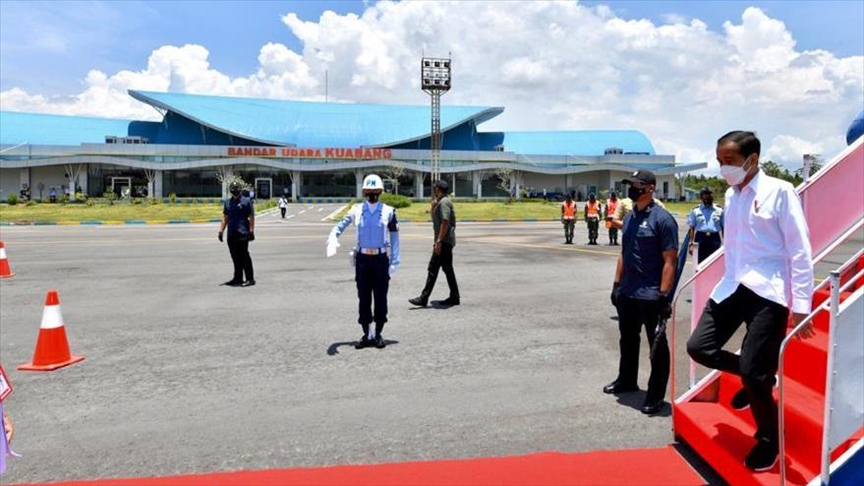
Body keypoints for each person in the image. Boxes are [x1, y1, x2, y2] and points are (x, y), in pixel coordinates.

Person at [686, 131, 814, 472]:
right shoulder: (731, 194)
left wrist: (801, 304)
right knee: (699, 348)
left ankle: (770, 439)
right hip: (733, 287)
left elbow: (799, 249)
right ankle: (753, 375)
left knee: (755, 374)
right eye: (719, 161)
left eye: (728, 161)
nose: (722, 168)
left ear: (752, 160)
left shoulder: (780, 192)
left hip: (769, 292)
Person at [606, 169, 678, 416]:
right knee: (627, 338)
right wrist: (616, 285)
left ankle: (656, 395)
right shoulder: (629, 218)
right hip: (628, 290)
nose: (631, 188)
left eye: (636, 184)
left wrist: (664, 295)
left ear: (649, 188)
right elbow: (623, 254)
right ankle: (626, 380)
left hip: (651, 293)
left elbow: (670, 261)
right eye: (630, 184)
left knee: (656, 345)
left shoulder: (663, 219)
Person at [327, 174, 401, 349]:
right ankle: (367, 333)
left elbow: (395, 237)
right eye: (369, 191)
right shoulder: (357, 210)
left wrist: (395, 261)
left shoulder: (389, 212)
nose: (372, 194)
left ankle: (378, 333)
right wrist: (332, 237)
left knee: (381, 297)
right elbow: (341, 225)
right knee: (364, 297)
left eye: (375, 191)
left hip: (380, 259)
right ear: (364, 192)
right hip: (363, 260)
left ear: (380, 192)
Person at [409, 179, 460, 308]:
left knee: (433, 268)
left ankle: (424, 298)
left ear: (438, 189)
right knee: (447, 269)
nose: (433, 189)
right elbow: (438, 220)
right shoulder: (440, 202)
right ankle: (454, 297)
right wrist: (432, 208)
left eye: (434, 187)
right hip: (444, 241)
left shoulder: (444, 202)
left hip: (444, 242)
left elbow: (445, 222)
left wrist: (438, 242)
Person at [218, 182, 255, 287]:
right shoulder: (227, 203)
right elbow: (225, 217)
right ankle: (238, 278)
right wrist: (221, 231)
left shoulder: (246, 201)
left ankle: (250, 279)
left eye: (236, 188)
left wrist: (251, 230)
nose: (234, 189)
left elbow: (251, 216)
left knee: (244, 256)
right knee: (235, 257)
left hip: (242, 233)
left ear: (240, 189)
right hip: (231, 234)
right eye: (232, 188)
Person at [687, 187, 724, 264]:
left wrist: (726, 244)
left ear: (712, 198)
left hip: (714, 238)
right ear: (701, 198)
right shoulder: (696, 210)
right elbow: (692, 228)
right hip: (700, 237)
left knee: (714, 263)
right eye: (705, 200)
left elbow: (724, 227)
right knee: (700, 263)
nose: (707, 201)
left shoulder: (719, 210)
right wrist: (691, 244)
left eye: (709, 199)